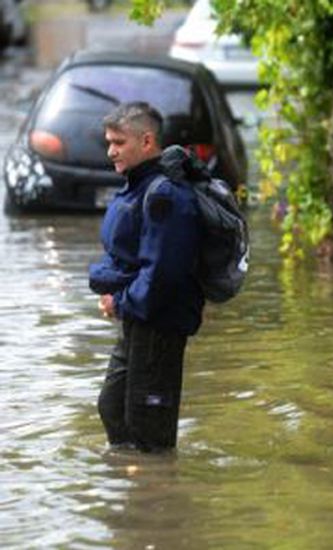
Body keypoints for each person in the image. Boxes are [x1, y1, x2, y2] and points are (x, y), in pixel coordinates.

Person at [89, 102, 204, 452]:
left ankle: (157, 497)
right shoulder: (138, 187)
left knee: (148, 432)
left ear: (147, 141)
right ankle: (132, 491)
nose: (111, 151)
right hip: (138, 320)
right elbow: (129, 257)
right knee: (112, 408)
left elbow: (161, 276)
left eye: (119, 142)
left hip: (160, 326)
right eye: (109, 142)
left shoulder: (165, 195)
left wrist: (118, 301)